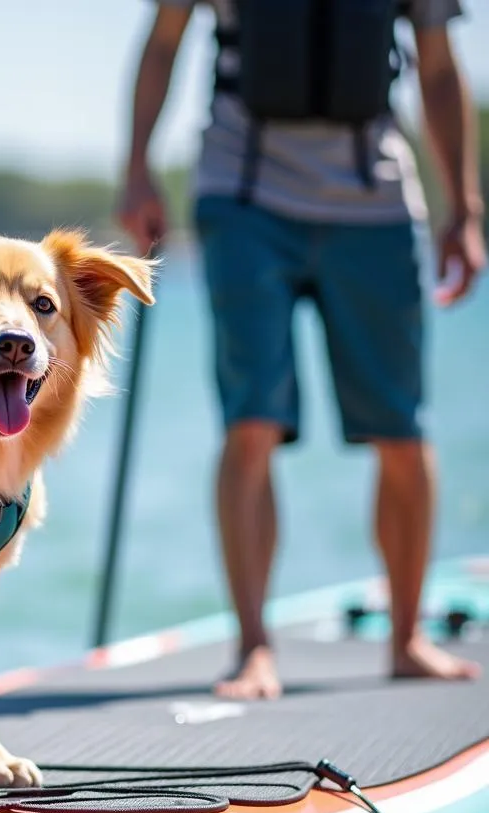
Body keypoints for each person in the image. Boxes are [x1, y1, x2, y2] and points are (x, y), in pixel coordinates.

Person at [119, 0, 485, 698]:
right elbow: (163, 41)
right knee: (251, 421)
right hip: (244, 195)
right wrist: (137, 170)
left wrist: (464, 209)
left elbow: (438, 71)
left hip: (374, 200)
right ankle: (254, 648)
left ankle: (407, 638)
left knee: (402, 430)